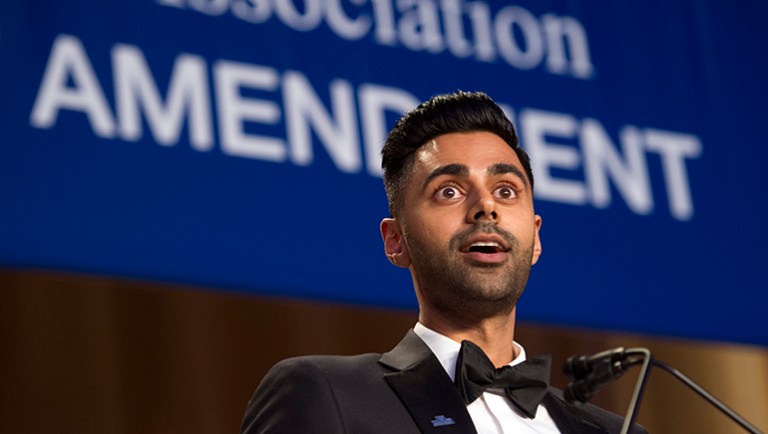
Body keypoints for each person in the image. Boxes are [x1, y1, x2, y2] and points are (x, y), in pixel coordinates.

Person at [241, 91, 646, 434]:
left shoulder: (615, 430)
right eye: (449, 191)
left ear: (536, 237)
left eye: (506, 191)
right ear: (396, 240)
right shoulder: (326, 393)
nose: (485, 207)